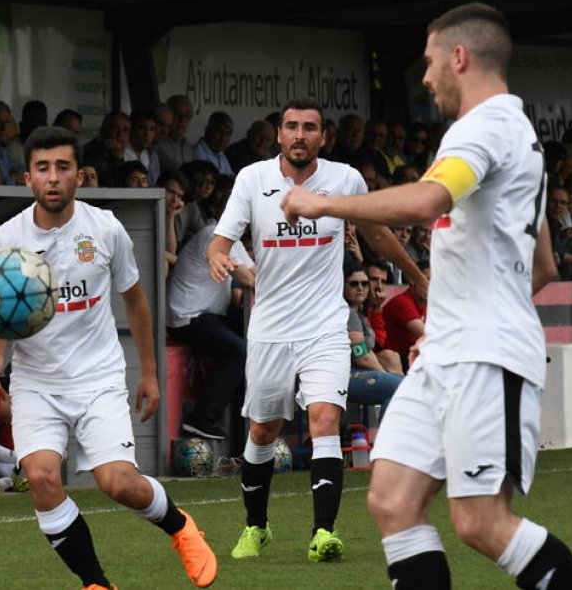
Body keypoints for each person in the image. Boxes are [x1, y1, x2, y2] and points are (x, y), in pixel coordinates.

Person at [280, 1, 572, 589]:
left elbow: (429, 202)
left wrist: (322, 202)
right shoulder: (515, 134)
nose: (424, 78)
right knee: (392, 499)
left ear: (459, 57)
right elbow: (546, 263)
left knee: (480, 522)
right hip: (452, 353)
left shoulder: (487, 127)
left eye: (429, 62)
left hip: (484, 355)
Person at [0, 126, 217, 590]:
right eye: (42, 168)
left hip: (98, 377)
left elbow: (137, 301)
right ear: (27, 177)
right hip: (37, 382)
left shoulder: (105, 228)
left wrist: (149, 373)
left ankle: (180, 527)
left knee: (117, 483)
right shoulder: (5, 239)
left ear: (79, 175)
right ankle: (96, 583)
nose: (53, 177)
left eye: (63, 167)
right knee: (42, 479)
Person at [206, 97, 422, 564]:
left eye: (309, 128)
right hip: (269, 329)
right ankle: (255, 527)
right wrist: (220, 257)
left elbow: (376, 232)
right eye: (291, 127)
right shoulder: (252, 179)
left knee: (326, 418)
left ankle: (323, 532)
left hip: (326, 323)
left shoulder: (345, 179)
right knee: (263, 431)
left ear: (323, 137)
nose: (299, 135)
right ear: (279, 134)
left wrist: (417, 275)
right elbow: (220, 241)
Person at [167, 188, 254, 440]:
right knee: (239, 350)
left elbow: (255, 272)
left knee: (258, 335)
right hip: (187, 317)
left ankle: (245, 406)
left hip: (210, 315)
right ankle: (201, 419)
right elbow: (249, 278)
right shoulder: (214, 236)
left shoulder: (232, 241)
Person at [344, 261, 404, 418]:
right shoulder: (347, 313)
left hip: (353, 373)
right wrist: (385, 375)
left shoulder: (359, 314)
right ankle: (389, 440)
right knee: (402, 386)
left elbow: (379, 346)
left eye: (364, 284)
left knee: (401, 384)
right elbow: (361, 356)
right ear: (342, 286)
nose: (360, 288)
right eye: (353, 284)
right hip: (343, 375)